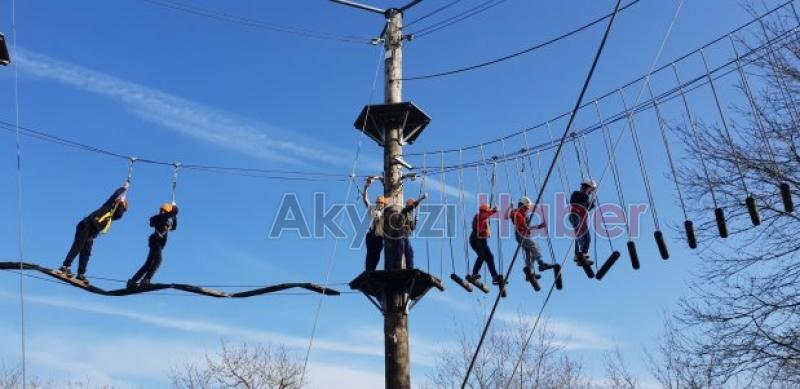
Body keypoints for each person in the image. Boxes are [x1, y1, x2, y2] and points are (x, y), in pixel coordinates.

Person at [60, 184, 129, 283]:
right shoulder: (109, 205)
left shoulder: (114, 216)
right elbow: (115, 195)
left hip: (92, 233)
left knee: (86, 253)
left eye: (123, 210)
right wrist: (124, 189)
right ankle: (65, 266)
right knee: (78, 246)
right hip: (86, 225)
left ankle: (81, 273)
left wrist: (122, 202)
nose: (121, 211)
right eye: (121, 208)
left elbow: (120, 213)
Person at [127, 202, 178, 287]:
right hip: (156, 242)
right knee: (158, 260)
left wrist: (175, 217)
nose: (162, 212)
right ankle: (146, 279)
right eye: (161, 210)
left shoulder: (166, 221)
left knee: (148, 264)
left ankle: (133, 281)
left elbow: (174, 227)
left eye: (164, 210)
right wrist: (175, 207)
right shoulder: (160, 218)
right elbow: (174, 212)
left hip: (158, 244)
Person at [508, 196, 547, 280]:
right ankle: (541, 262)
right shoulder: (516, 212)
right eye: (526, 208)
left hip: (525, 235)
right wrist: (510, 208)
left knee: (529, 254)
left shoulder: (525, 216)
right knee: (534, 245)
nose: (527, 209)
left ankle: (530, 274)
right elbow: (510, 216)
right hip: (520, 234)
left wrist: (539, 226)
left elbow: (528, 227)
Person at [466, 203, 502, 285]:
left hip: (483, 240)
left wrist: (493, 210)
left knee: (490, 257)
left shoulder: (484, 215)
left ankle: (494, 276)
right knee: (482, 255)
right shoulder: (477, 217)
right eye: (486, 212)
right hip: (476, 240)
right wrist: (493, 210)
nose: (487, 214)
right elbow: (484, 216)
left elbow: (487, 214)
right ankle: (474, 273)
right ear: (482, 212)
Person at [570, 179, 597, 265]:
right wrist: (586, 195)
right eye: (591, 190)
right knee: (580, 235)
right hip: (575, 215)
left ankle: (582, 255)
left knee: (587, 238)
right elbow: (574, 202)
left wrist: (592, 203)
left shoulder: (587, 198)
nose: (591, 192)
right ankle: (578, 254)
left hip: (582, 219)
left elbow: (587, 208)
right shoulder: (576, 194)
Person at [363, 177, 386, 271]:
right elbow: (365, 199)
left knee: (376, 254)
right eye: (378, 202)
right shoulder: (373, 209)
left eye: (381, 203)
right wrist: (366, 187)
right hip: (372, 235)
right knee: (370, 254)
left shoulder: (386, 212)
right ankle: (369, 270)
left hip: (380, 237)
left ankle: (372, 269)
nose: (379, 204)